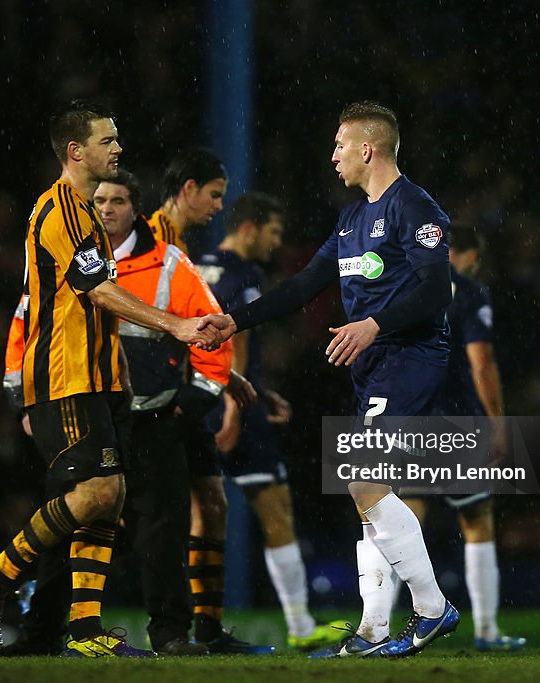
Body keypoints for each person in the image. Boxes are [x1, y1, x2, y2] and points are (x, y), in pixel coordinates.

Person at [0, 101, 221, 658]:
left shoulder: (83, 210)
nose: (118, 149)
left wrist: (121, 372)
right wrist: (176, 324)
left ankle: (83, 631)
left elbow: (97, 304)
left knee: (111, 495)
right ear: (76, 151)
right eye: (108, 140)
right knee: (97, 491)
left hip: (98, 377)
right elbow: (97, 291)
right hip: (65, 375)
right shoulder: (60, 211)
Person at [200, 101, 459, 659]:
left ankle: (434, 609)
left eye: (340, 144)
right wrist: (233, 322)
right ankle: (371, 631)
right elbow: (302, 287)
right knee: (368, 497)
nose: (333, 154)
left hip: (409, 357)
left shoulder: (416, 207)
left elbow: (439, 289)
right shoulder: (350, 220)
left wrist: (373, 324)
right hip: (373, 365)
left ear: (369, 149)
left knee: (363, 483)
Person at [196, 192, 344, 651]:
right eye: (274, 232)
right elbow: (233, 342)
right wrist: (238, 409)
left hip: (199, 401)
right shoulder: (244, 273)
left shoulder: (195, 267)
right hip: (234, 406)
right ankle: (300, 626)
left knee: (201, 515)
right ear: (249, 228)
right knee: (276, 509)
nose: (277, 242)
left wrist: (262, 389)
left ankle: (195, 624)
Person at [94, 170, 234, 654]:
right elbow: (28, 323)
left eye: (117, 200)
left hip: (152, 415)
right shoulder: (71, 254)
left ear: (137, 209)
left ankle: (172, 635)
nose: (107, 209)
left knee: (164, 526)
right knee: (84, 518)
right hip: (89, 414)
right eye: (100, 200)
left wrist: (194, 400)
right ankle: (56, 627)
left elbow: (213, 330)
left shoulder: (169, 263)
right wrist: (22, 396)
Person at [148, 147, 269, 653]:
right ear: (188, 189)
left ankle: (207, 629)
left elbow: (185, 324)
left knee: (210, 503)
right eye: (215, 195)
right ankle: (47, 605)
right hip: (158, 394)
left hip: (182, 387)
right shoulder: (150, 240)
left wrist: (229, 374)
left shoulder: (176, 243)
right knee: (145, 511)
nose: (220, 207)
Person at [392, 227, 525, 652]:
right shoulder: (467, 291)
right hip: (456, 421)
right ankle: (487, 630)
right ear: (466, 256)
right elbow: (481, 362)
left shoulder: (406, 285)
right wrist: (499, 422)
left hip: (413, 416)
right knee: (477, 520)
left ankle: (378, 624)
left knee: (403, 523)